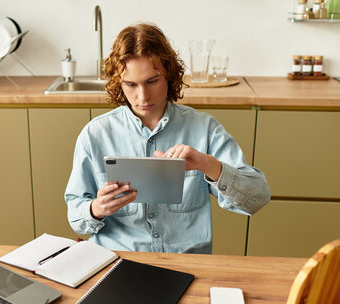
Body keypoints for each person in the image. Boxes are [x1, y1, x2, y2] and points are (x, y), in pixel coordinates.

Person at [64, 23, 270, 253]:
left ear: (169, 76)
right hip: (118, 261)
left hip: (188, 264)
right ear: (119, 83)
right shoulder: (95, 134)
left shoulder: (204, 129)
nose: (142, 96)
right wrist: (96, 208)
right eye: (131, 84)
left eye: (152, 81)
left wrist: (207, 164)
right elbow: (76, 217)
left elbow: (258, 197)